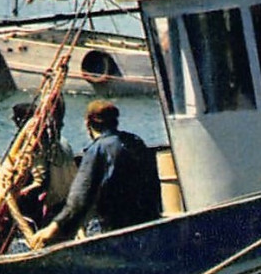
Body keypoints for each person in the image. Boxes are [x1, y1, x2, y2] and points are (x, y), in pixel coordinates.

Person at [29, 100, 161, 248]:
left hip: (120, 231)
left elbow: (79, 199)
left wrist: (53, 228)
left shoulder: (98, 150)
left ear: (87, 124)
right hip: (150, 225)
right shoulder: (135, 141)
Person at [12, 99, 76, 227]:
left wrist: (17, 193)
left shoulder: (36, 146)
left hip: (54, 200)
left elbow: (39, 181)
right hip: (68, 195)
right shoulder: (62, 141)